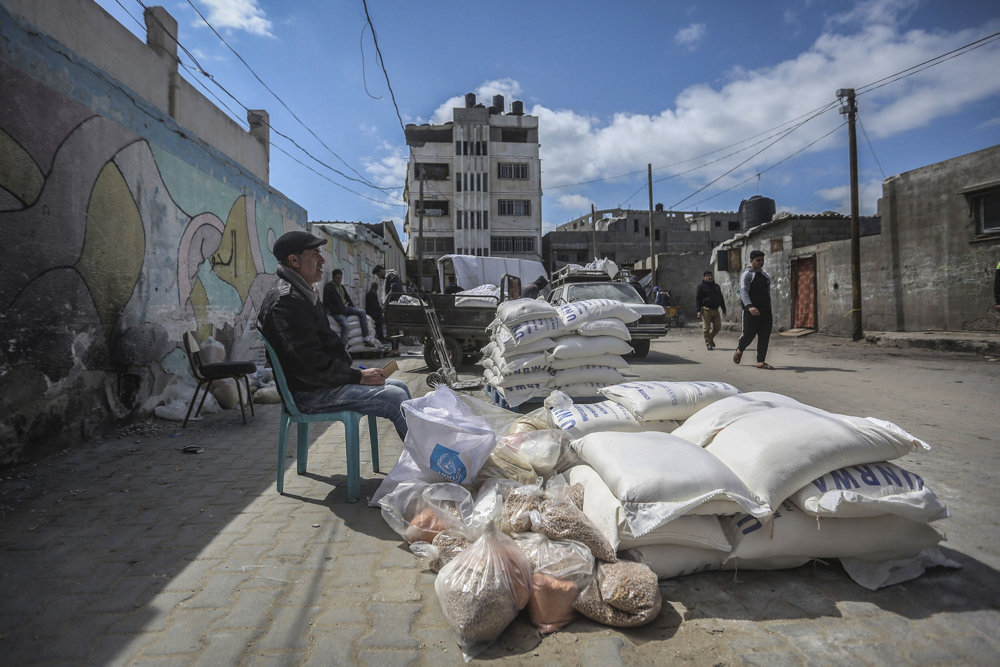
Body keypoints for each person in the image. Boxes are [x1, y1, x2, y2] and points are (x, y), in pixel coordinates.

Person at [257, 231, 411, 439]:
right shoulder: (286, 302)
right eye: (315, 253)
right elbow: (309, 366)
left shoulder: (301, 293)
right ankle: (426, 464)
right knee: (395, 396)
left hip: (319, 383)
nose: (322, 260)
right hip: (309, 394)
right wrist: (357, 376)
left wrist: (357, 374)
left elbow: (320, 352)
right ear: (294, 260)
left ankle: (418, 459)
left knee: (399, 385)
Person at [733, 249, 774, 369]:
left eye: (762, 260)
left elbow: (767, 293)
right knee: (749, 334)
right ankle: (740, 349)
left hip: (765, 311)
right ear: (751, 261)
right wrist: (750, 306)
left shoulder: (765, 275)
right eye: (758, 260)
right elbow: (743, 291)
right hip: (751, 310)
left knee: (764, 335)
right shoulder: (748, 275)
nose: (761, 262)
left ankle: (761, 361)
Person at [323, 268, 376, 346]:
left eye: (340, 278)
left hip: (346, 308)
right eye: (337, 278)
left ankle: (366, 337)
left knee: (361, 312)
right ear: (333, 277)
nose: (339, 280)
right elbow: (326, 302)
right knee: (345, 325)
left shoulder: (341, 287)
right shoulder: (329, 287)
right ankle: (343, 347)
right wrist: (335, 310)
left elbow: (347, 298)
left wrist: (354, 308)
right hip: (337, 312)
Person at [696, 270, 727, 350]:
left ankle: (710, 338)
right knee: (706, 328)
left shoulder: (716, 286)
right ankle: (708, 344)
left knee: (718, 327)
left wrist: (723, 309)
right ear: (704, 277)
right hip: (706, 310)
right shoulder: (701, 287)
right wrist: (698, 311)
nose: (710, 277)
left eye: (711, 275)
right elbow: (698, 299)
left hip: (715, 310)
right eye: (708, 276)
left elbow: (721, 298)